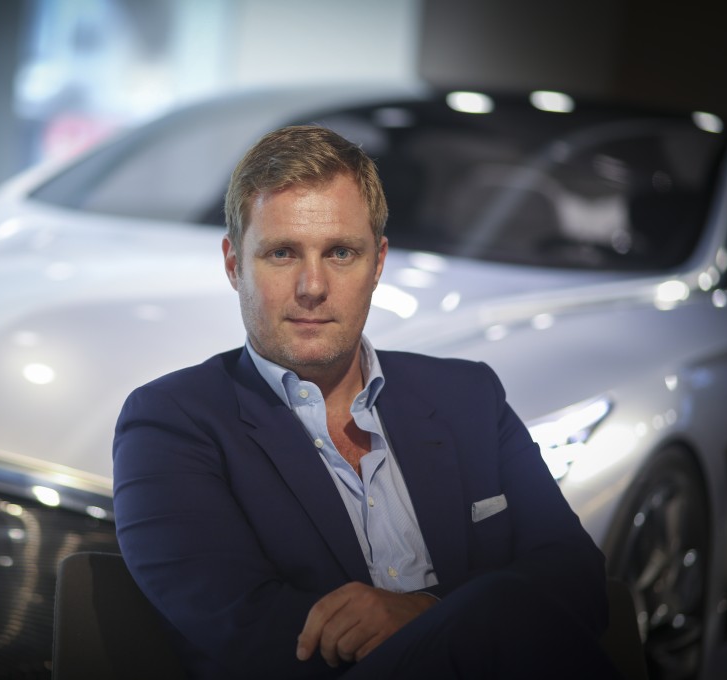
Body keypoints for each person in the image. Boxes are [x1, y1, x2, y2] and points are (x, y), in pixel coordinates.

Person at [112, 125, 620, 678]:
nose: (312, 286)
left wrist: (425, 611)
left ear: (377, 264)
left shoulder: (469, 395)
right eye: (282, 253)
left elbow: (579, 582)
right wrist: (472, 617)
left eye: (340, 253)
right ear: (235, 265)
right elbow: (256, 637)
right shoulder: (169, 425)